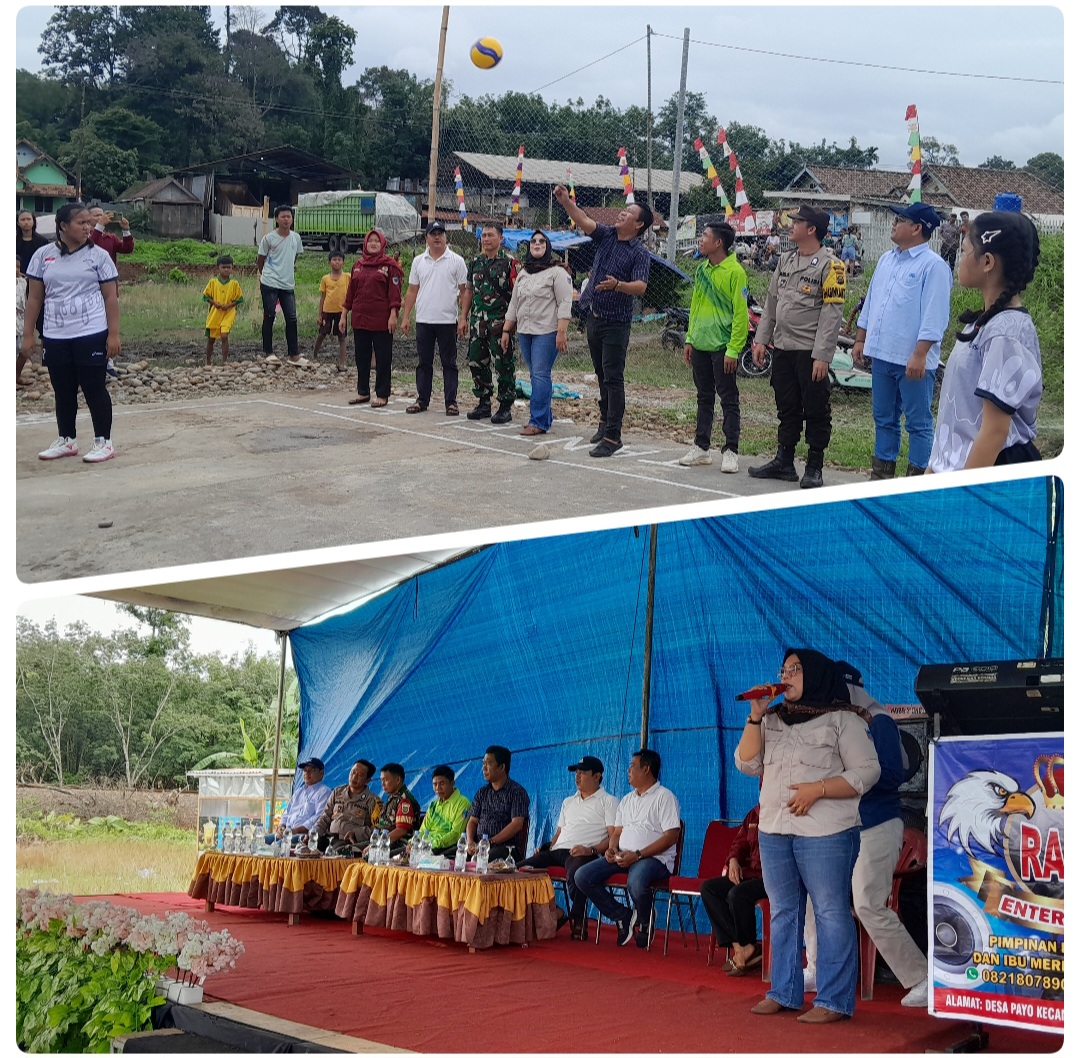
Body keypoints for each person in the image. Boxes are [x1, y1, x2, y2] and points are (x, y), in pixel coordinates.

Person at [735, 649, 880, 1023]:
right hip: (774, 831)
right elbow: (746, 763)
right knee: (783, 911)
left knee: (831, 912)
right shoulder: (771, 719)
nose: (787, 675)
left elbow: (868, 771)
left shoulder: (843, 720)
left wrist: (819, 789)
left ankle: (833, 1000)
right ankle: (783, 991)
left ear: (815, 674)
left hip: (826, 831)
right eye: (784, 669)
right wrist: (755, 715)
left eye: (796, 669)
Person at [928, 211, 1043, 472]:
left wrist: (963, 493)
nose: (958, 258)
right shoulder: (984, 322)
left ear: (987, 262)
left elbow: (994, 432)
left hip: (987, 476)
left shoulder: (1005, 334)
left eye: (964, 249)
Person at [852, 202, 953, 479]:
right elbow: (871, 302)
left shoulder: (933, 266)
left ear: (917, 228)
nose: (894, 224)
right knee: (884, 418)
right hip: (883, 354)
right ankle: (881, 475)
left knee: (918, 423)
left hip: (912, 359)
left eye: (900, 219)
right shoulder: (887, 259)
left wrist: (920, 354)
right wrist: (861, 338)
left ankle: (917, 479)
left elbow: (935, 315)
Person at [748, 204, 846, 489]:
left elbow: (832, 313)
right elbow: (771, 303)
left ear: (811, 229)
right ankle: (784, 460)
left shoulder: (832, 265)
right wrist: (761, 339)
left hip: (809, 351)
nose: (791, 226)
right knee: (786, 405)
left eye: (797, 222)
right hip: (783, 348)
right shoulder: (786, 260)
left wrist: (822, 355)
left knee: (815, 407)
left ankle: (814, 465)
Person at [552, 184, 651, 458]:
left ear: (639, 224)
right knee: (601, 374)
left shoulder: (639, 252)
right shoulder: (607, 235)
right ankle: (604, 422)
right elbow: (583, 220)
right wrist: (565, 202)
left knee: (613, 377)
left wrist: (618, 285)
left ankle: (613, 436)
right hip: (594, 316)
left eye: (628, 213)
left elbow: (641, 286)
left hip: (616, 322)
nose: (622, 213)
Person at [23, 202, 120, 464]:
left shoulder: (98, 256)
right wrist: (28, 335)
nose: (88, 227)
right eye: (81, 222)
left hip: (90, 332)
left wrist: (113, 334)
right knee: (63, 390)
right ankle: (67, 439)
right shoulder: (43, 256)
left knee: (93, 388)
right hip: (55, 335)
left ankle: (103, 441)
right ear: (63, 226)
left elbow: (111, 298)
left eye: (89, 222)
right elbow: (34, 299)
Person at [573, 748, 681, 949]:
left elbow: (671, 837)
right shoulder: (627, 800)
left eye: (632, 766)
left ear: (646, 769)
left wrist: (638, 854)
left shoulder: (665, 797)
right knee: (582, 876)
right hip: (623, 856)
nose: (628, 770)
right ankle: (624, 915)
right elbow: (616, 832)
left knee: (637, 881)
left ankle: (645, 919)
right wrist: (612, 849)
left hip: (653, 859)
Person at [517, 755, 619, 940]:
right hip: (559, 850)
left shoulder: (609, 801)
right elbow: (559, 833)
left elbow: (614, 837)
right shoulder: (568, 802)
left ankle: (578, 919)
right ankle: (556, 912)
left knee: (576, 873)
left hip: (585, 852)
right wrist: (547, 846)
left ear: (597, 777)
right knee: (520, 869)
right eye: (576, 773)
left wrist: (592, 850)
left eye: (582, 772)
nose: (577, 776)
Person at [678, 220, 749, 472]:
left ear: (718, 242)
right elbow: (695, 306)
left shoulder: (735, 272)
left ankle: (731, 450)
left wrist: (733, 349)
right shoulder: (702, 270)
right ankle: (701, 447)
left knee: (728, 398)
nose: (701, 239)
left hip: (722, 347)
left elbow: (741, 315)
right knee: (703, 396)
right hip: (700, 344)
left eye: (705, 235)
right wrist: (689, 338)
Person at [500, 231, 573, 436]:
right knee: (535, 375)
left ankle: (538, 421)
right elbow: (515, 303)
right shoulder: (524, 272)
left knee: (540, 374)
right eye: (533, 241)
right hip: (525, 331)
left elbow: (565, 303)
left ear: (548, 246)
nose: (537, 244)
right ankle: (544, 417)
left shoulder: (557, 273)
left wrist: (561, 332)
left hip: (547, 332)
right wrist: (507, 330)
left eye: (542, 241)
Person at [399, 220, 469, 416]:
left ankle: (451, 402)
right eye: (433, 234)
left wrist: (463, 318)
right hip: (424, 319)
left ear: (446, 237)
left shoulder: (457, 261)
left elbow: (465, 291)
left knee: (449, 362)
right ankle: (422, 399)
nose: (437, 237)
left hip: (447, 320)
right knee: (423, 362)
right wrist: (406, 317)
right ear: (426, 238)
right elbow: (412, 290)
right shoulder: (418, 261)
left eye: (440, 233)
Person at [700, 803, 767, 975]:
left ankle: (747, 949)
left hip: (772, 877)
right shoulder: (754, 814)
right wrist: (733, 860)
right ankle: (742, 948)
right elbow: (739, 843)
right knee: (709, 889)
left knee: (737, 894)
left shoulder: (783, 812)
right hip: (750, 873)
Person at [462, 222, 518, 423]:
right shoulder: (475, 262)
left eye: (490, 235)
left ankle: (505, 405)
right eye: (483, 235)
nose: (486, 239)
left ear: (500, 239)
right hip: (478, 322)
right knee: (476, 361)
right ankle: (483, 402)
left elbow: (517, 295)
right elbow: (469, 290)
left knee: (503, 363)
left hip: (501, 323)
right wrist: (463, 317)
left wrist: (511, 326)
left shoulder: (511, 263)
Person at [342, 228, 403, 408]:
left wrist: (393, 315)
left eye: (377, 241)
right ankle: (363, 392)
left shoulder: (390, 266)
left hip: (382, 319)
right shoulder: (358, 265)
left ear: (382, 243)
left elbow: (395, 294)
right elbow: (351, 293)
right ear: (365, 244)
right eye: (370, 241)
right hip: (360, 318)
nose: (373, 244)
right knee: (361, 357)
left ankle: (382, 394)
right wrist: (344, 315)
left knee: (383, 358)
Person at [257, 204, 306, 366]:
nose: (286, 219)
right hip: (270, 282)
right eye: (283, 216)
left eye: (289, 216)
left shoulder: (296, 238)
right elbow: (260, 259)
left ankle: (293, 354)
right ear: (277, 219)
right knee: (270, 315)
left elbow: (295, 257)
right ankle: (269, 352)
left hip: (287, 284)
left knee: (291, 318)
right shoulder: (269, 238)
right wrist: (266, 275)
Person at [464, 745, 530, 860]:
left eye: (488, 764)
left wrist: (490, 842)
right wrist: (470, 842)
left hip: (506, 849)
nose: (484, 768)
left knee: (482, 858)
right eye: (483, 764)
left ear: (501, 767)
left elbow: (517, 824)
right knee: (456, 857)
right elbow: (472, 821)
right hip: (481, 847)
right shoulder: (482, 792)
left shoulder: (517, 792)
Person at [311, 759, 380, 849]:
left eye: (360, 775)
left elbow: (378, 828)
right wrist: (313, 833)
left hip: (350, 842)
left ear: (367, 780)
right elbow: (325, 817)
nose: (354, 777)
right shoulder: (337, 792)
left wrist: (356, 833)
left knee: (335, 851)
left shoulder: (372, 801)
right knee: (305, 847)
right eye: (353, 772)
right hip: (329, 838)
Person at [415, 765, 472, 855]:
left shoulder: (463, 803)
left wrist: (433, 844)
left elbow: (456, 834)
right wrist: (413, 843)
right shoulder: (433, 805)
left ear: (452, 783)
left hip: (444, 847)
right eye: (435, 784)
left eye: (442, 783)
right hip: (426, 845)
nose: (438, 788)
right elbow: (423, 831)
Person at [367, 762, 421, 854]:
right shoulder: (393, 797)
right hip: (386, 840)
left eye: (385, 780)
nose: (382, 784)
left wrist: (378, 843)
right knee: (352, 848)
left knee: (369, 855)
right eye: (381, 780)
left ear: (398, 780)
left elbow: (401, 831)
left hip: (400, 844)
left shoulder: (405, 800)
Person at [275, 757, 332, 838]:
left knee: (277, 846)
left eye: (311, 770)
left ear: (321, 773)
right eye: (305, 770)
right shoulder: (299, 792)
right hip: (287, 833)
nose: (307, 773)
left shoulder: (324, 792)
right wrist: (281, 827)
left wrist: (294, 831)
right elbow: (286, 812)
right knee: (264, 840)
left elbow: (319, 818)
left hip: (304, 836)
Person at [202, 255, 243, 365]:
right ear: (218, 268)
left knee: (224, 335)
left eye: (228, 267)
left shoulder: (234, 284)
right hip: (215, 312)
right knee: (211, 338)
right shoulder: (213, 282)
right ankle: (208, 361)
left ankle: (225, 361)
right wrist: (215, 303)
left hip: (229, 312)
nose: (226, 270)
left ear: (232, 268)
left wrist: (229, 305)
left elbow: (239, 299)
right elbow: (206, 297)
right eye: (223, 267)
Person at [313, 249, 350, 370]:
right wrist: (319, 315)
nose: (337, 262)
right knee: (322, 333)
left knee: (342, 337)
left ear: (343, 263)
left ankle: (342, 363)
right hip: (327, 311)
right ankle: (314, 356)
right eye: (334, 260)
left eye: (339, 260)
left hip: (341, 312)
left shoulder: (347, 277)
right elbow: (322, 297)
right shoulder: (325, 279)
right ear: (329, 263)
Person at [17, 210, 49, 277]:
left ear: (33, 221)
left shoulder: (43, 241)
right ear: (18, 222)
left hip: (38, 277)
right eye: (22, 220)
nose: (26, 222)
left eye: (28, 219)